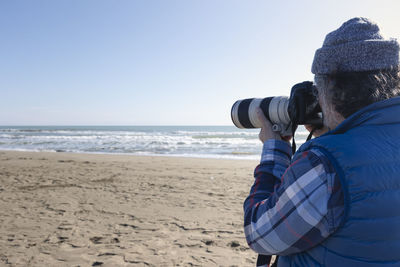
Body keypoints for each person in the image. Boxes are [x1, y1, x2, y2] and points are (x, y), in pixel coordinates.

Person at [243, 17, 400, 267]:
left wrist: (274, 150)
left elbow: (260, 234)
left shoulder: (324, 165)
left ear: (331, 89)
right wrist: (335, 135)